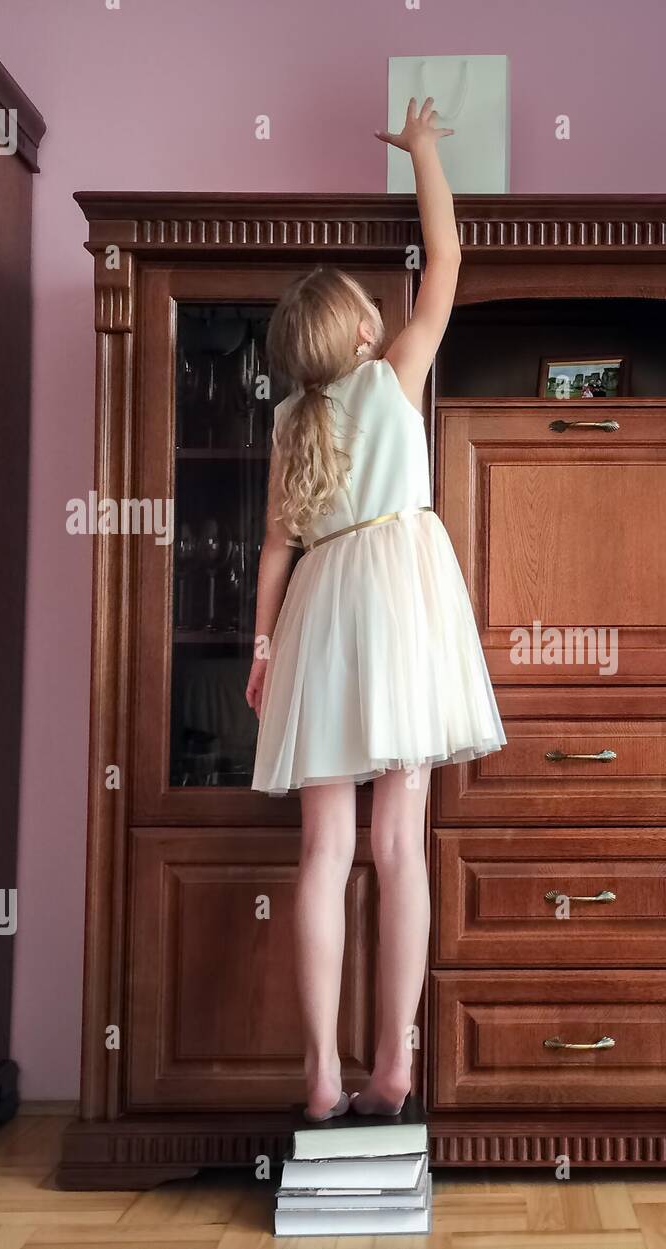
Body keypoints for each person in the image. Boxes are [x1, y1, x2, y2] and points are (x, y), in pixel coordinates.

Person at [245, 98, 504, 1120]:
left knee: (324, 852)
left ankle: (316, 1076)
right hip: (400, 606)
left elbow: (273, 549)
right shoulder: (394, 375)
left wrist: (262, 647)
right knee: (399, 847)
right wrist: (427, 152)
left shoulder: (288, 427)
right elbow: (443, 262)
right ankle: (392, 1069)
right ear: (361, 330)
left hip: (319, 613)